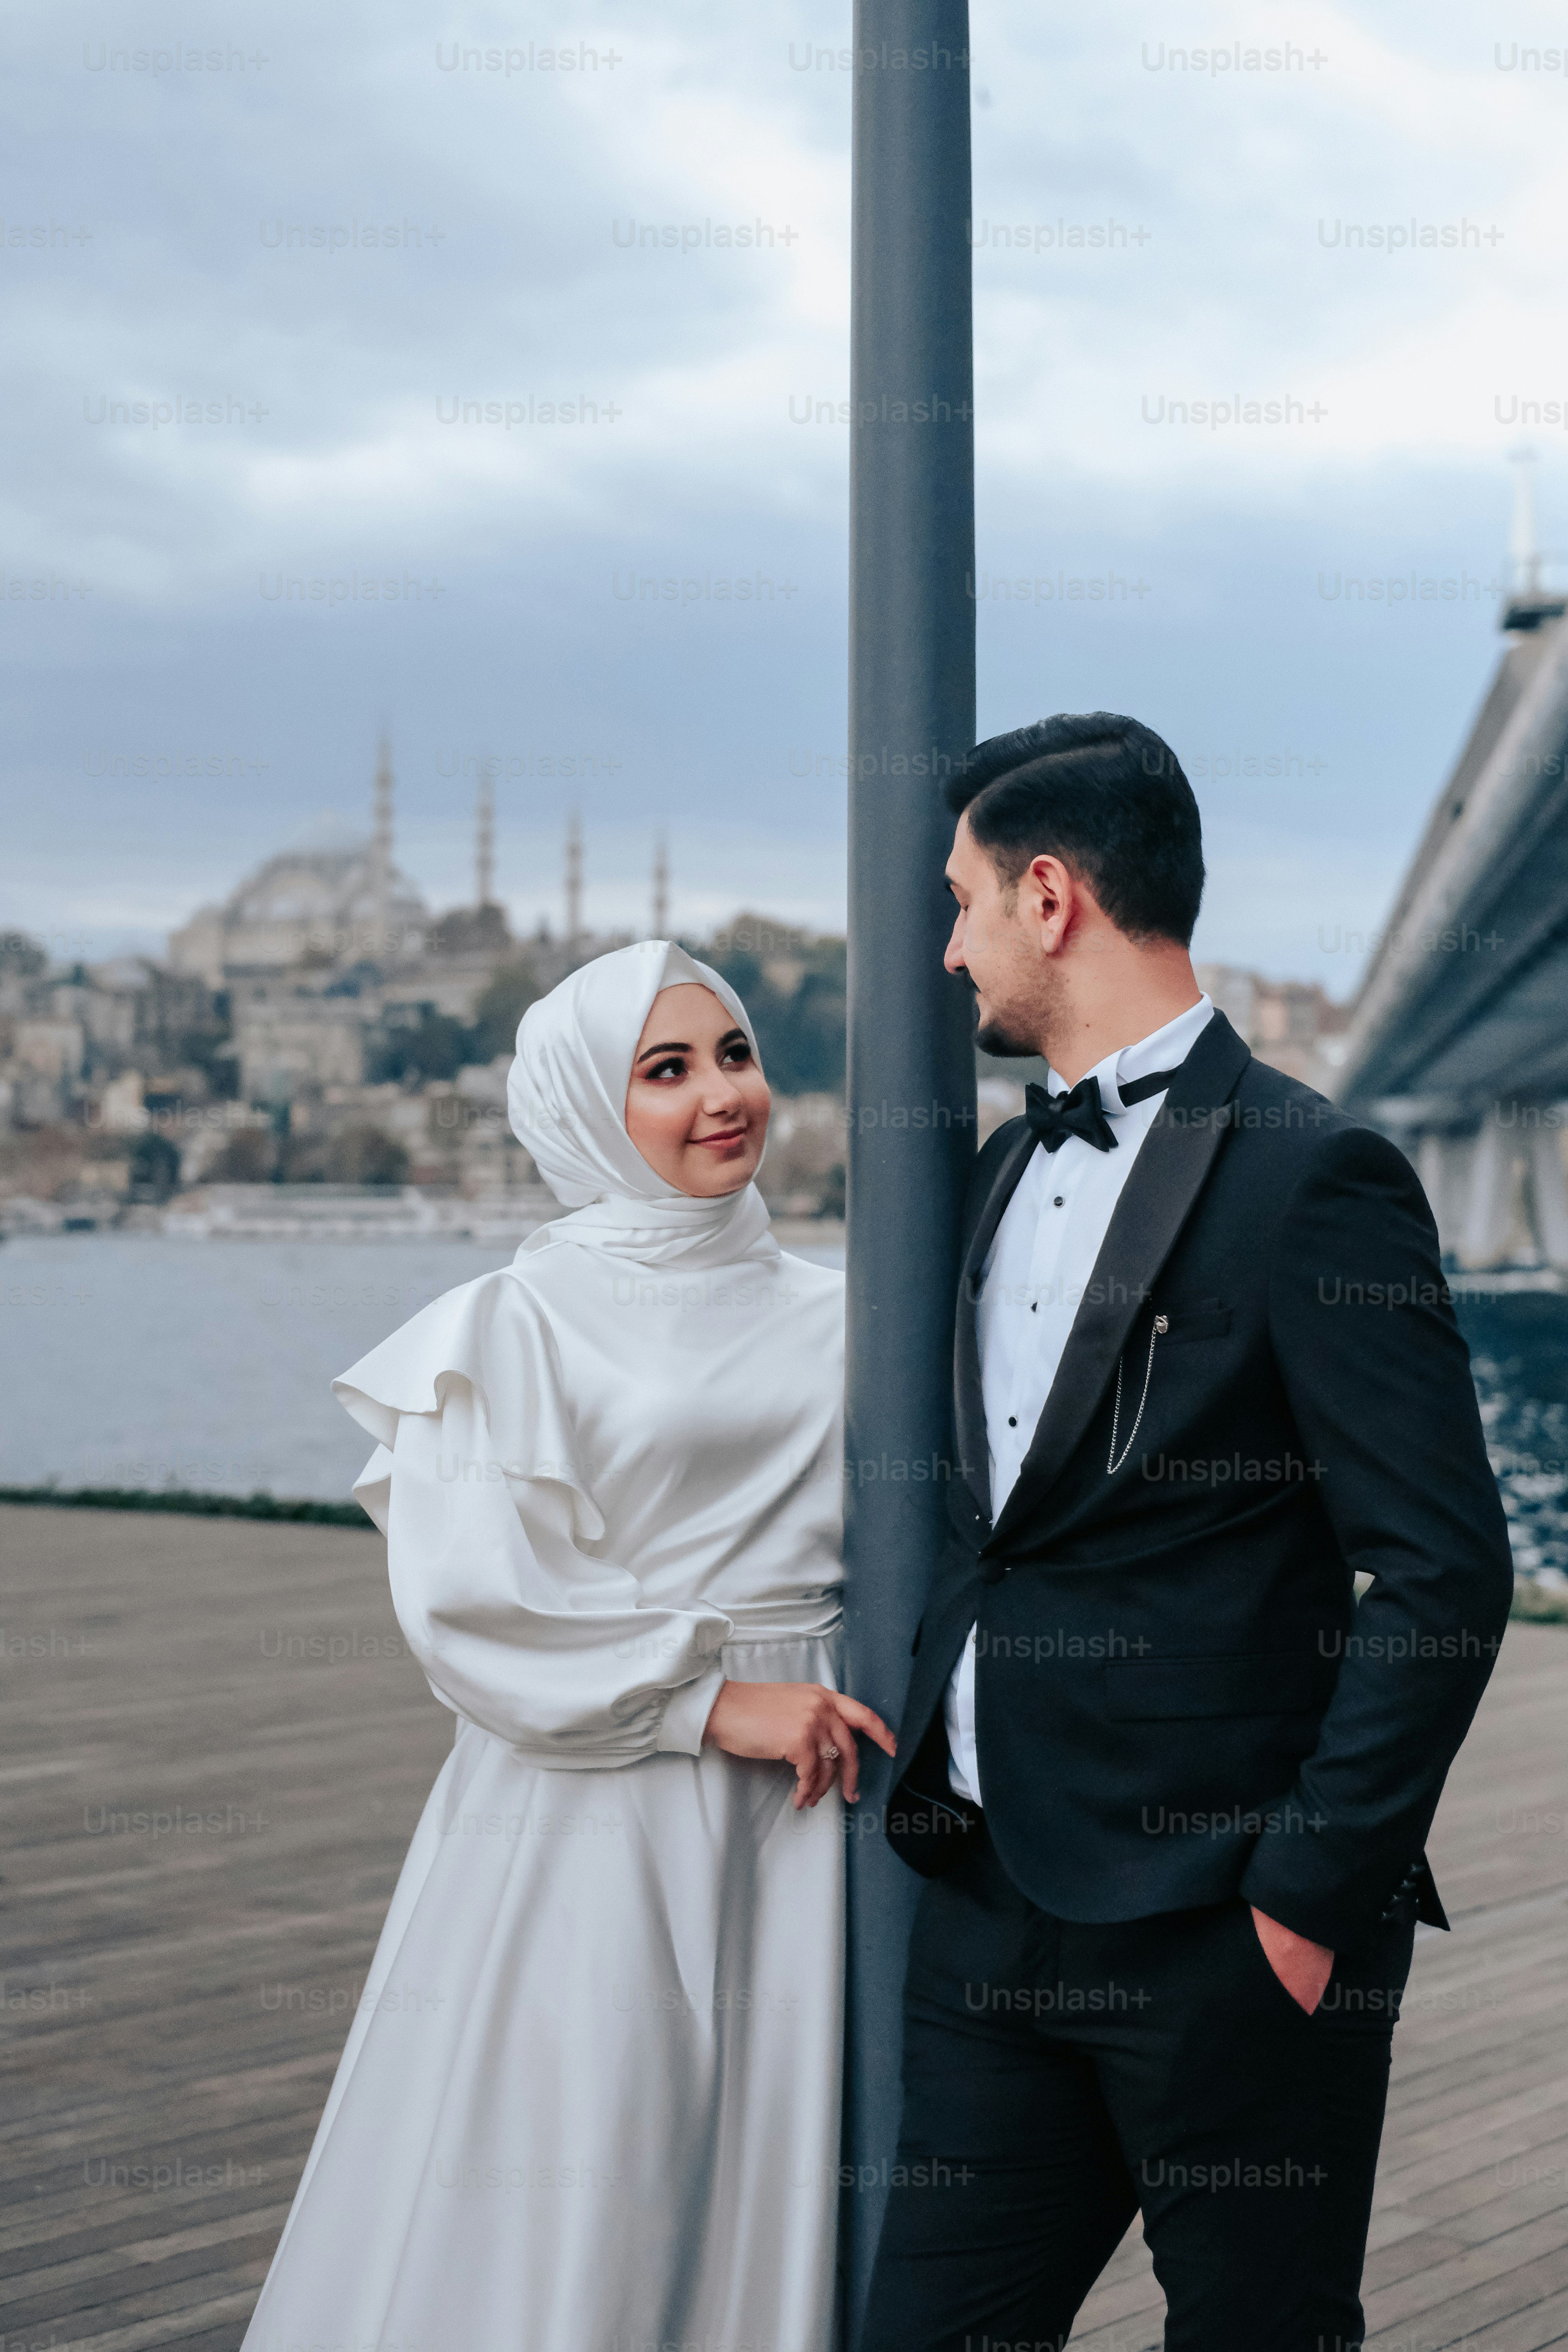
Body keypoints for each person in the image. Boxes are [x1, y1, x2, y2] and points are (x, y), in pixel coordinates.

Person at [862, 713, 1513, 2352]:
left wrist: (1302, 1899)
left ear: (1051, 895)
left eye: (960, 902)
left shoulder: (1321, 1177)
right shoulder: (1011, 1160)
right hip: (990, 1904)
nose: (947, 948)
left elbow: (1441, 1566)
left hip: (1223, 1935)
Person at [241, 938, 891, 2352]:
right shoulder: (514, 1320)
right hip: (603, 1800)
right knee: (597, 2180)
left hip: (813, 1806)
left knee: (767, 2171)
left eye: (735, 1054)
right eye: (666, 1070)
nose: (723, 1095)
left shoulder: (850, 1307)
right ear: (586, 1110)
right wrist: (714, 1703)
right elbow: (471, 1599)